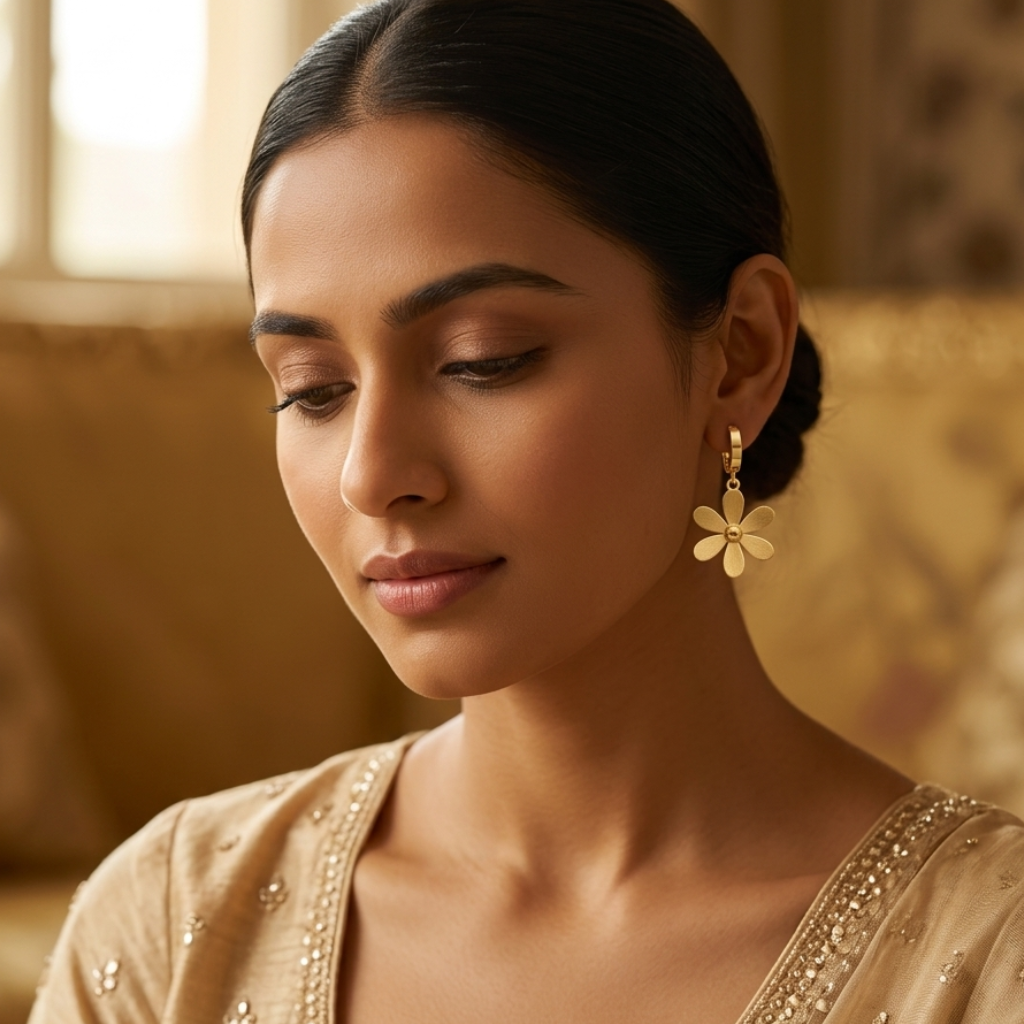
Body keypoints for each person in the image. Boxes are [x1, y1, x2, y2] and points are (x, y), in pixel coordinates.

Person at [30, 1, 1024, 1022]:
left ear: (741, 353)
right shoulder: (169, 924)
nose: (372, 475)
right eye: (313, 387)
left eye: (482, 360)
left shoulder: (990, 959)